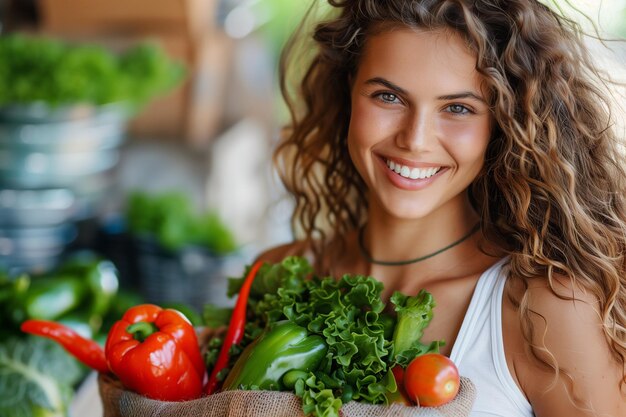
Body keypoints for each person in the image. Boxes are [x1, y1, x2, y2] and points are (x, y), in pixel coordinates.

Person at [258, 0, 626, 416]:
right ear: (348, 92)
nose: (415, 140)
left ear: (503, 122)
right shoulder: (278, 273)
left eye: (457, 108)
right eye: (388, 96)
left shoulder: (542, 309)